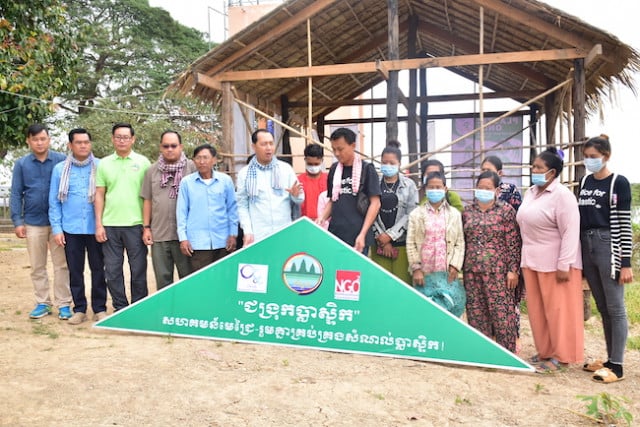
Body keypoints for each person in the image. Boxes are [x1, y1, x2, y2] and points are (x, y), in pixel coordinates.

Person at [516, 148, 583, 373]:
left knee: (558, 311)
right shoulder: (530, 192)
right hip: (531, 260)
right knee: (537, 310)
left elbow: (570, 231)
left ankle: (561, 356)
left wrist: (565, 264)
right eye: (533, 167)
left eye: (538, 168)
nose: (533, 171)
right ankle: (545, 350)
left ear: (552, 172)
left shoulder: (563, 196)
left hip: (556, 264)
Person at [578, 135, 632, 383]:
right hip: (587, 244)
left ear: (606, 156)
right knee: (602, 307)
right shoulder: (585, 181)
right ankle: (610, 359)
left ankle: (618, 365)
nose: (589, 161)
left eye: (593, 157)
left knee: (616, 308)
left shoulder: (618, 183)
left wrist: (626, 263)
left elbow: (624, 224)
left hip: (608, 244)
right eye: (586, 157)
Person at [10, 124, 72, 320]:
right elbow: (15, 193)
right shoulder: (21, 164)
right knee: (37, 265)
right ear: (28, 141)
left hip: (58, 224)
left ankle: (64, 304)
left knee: (61, 265)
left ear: (49, 139)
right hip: (33, 222)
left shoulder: (62, 161)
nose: (39, 142)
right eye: (35, 139)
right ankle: (43, 302)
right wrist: (18, 221)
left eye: (43, 138)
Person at [49, 128, 108, 325]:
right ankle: (80, 309)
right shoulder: (60, 169)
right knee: (75, 270)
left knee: (99, 269)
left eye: (86, 142)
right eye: (79, 142)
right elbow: (54, 202)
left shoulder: (101, 166)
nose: (83, 146)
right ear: (70, 145)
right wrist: (57, 229)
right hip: (70, 229)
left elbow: (106, 197)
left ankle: (99, 309)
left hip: (95, 228)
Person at [462, 171, 521, 352]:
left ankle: (506, 353)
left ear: (496, 190)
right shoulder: (467, 212)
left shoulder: (506, 212)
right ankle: (482, 352)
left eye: (487, 188)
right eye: (480, 188)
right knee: (476, 313)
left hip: (499, 272)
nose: (483, 191)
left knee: (502, 314)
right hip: (472, 270)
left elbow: (513, 242)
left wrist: (513, 270)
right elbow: (462, 239)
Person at [95, 123, 150, 311]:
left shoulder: (143, 162)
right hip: (110, 225)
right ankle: (120, 308)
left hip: (136, 225)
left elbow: (148, 197)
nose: (122, 140)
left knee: (138, 269)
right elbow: (100, 194)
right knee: (112, 270)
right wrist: (99, 225)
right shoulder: (104, 163)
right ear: (112, 139)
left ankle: (139, 307)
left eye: (126, 137)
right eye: (118, 137)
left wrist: (147, 225)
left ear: (133, 139)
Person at [141, 130, 196, 289]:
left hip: (186, 236)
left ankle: (187, 312)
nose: (170, 149)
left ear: (181, 146)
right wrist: (146, 228)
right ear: (160, 147)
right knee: (163, 281)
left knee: (188, 279)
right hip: (160, 234)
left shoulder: (192, 168)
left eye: (174, 145)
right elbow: (148, 200)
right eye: (166, 146)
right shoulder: (152, 171)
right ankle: (165, 313)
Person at [480, 155, 524, 351]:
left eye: (489, 169)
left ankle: (513, 338)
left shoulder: (510, 192)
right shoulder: (481, 192)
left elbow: (515, 227)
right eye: (482, 169)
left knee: (508, 301)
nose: (485, 173)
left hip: (506, 256)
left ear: (500, 173)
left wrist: (512, 265)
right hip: (486, 259)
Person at [406, 171, 465, 316]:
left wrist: (455, 266)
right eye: (431, 187)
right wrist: (416, 268)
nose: (435, 190)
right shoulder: (416, 214)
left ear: (445, 189)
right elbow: (411, 242)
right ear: (425, 190)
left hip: (446, 273)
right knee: (424, 310)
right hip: (424, 273)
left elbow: (459, 242)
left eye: (438, 187)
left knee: (448, 308)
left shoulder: (454, 215)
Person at [317, 127, 380, 254]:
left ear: (353, 145)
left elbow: (375, 203)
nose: (337, 153)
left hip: (358, 235)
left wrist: (363, 234)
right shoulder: (334, 170)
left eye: (340, 149)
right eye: (334, 149)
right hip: (336, 234)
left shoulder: (367, 169)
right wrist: (321, 218)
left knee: (355, 273)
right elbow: (332, 200)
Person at [236, 129, 304, 245]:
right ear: (254, 146)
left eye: (271, 143)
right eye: (264, 144)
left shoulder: (285, 169)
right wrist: (247, 231)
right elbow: (242, 205)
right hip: (258, 235)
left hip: (284, 232)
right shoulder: (244, 173)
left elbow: (300, 198)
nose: (268, 148)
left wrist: (296, 196)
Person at [177, 144, 238, 271]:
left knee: (223, 279)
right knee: (201, 282)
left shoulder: (225, 181)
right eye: (198, 158)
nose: (202, 162)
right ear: (194, 161)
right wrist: (183, 238)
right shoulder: (186, 183)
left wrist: (233, 234)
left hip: (223, 241)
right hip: (197, 243)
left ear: (214, 160)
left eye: (205, 158)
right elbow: (181, 212)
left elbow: (232, 209)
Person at [371, 141, 419, 284]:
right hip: (378, 243)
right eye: (384, 162)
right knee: (380, 285)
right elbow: (369, 210)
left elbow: (411, 214)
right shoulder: (373, 183)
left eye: (392, 163)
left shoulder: (409, 185)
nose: (388, 166)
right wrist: (382, 238)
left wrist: (390, 236)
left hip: (402, 243)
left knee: (402, 285)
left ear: (399, 164)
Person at [297, 143, 328, 220]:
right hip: (305, 224)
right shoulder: (298, 181)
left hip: (325, 224)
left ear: (322, 160)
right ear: (305, 160)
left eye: (316, 164)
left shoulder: (329, 180)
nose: (313, 167)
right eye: (310, 164)